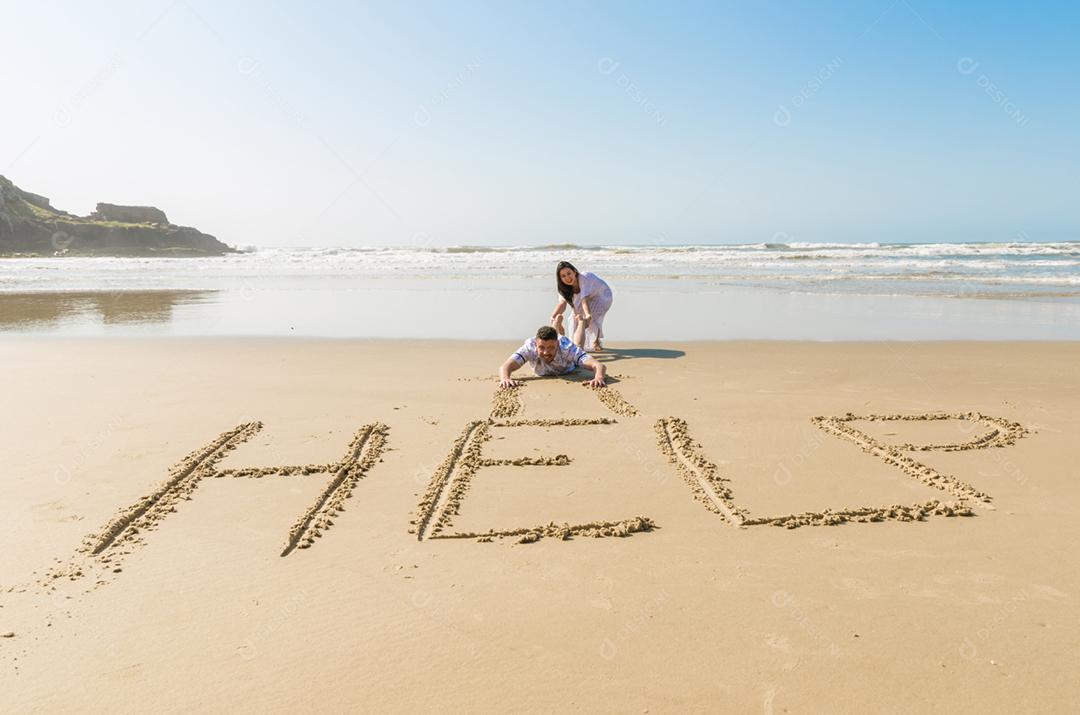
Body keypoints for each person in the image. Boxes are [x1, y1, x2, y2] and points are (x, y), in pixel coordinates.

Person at [499, 325, 607, 388]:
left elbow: (599, 365)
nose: (546, 352)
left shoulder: (567, 349)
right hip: (542, 370)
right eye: (541, 347)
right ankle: (556, 325)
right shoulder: (529, 348)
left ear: (557, 344)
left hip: (567, 368)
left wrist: (599, 378)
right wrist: (505, 378)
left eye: (551, 347)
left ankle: (581, 323)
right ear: (536, 344)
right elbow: (505, 366)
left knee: (578, 345)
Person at [549, 261, 613, 352]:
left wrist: (588, 315)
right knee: (576, 316)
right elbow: (562, 304)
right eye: (563, 276)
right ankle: (577, 342)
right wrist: (553, 316)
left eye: (569, 273)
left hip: (602, 295)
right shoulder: (563, 288)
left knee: (592, 316)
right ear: (560, 278)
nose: (567, 278)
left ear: (574, 272)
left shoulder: (584, 278)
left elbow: (584, 300)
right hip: (587, 296)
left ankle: (596, 342)